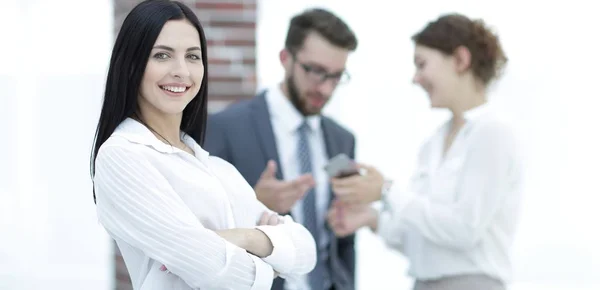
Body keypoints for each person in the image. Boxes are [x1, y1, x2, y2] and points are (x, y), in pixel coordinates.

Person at [90, 1, 317, 289]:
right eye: (162, 55)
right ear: (132, 64)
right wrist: (270, 261)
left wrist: (245, 237)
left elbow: (307, 251)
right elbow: (216, 272)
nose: (181, 71)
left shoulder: (215, 168)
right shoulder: (122, 157)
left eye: (193, 57)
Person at [327, 13, 523, 290]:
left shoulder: (492, 133)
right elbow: (422, 235)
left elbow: (465, 230)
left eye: (422, 64)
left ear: (460, 60)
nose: (415, 79)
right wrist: (370, 218)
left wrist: (386, 190)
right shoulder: (433, 144)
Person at [203, 8, 358, 290]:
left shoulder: (342, 140)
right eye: (315, 71)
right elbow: (204, 232)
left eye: (336, 76)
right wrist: (254, 202)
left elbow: (343, 238)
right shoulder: (226, 128)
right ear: (286, 59)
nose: (325, 88)